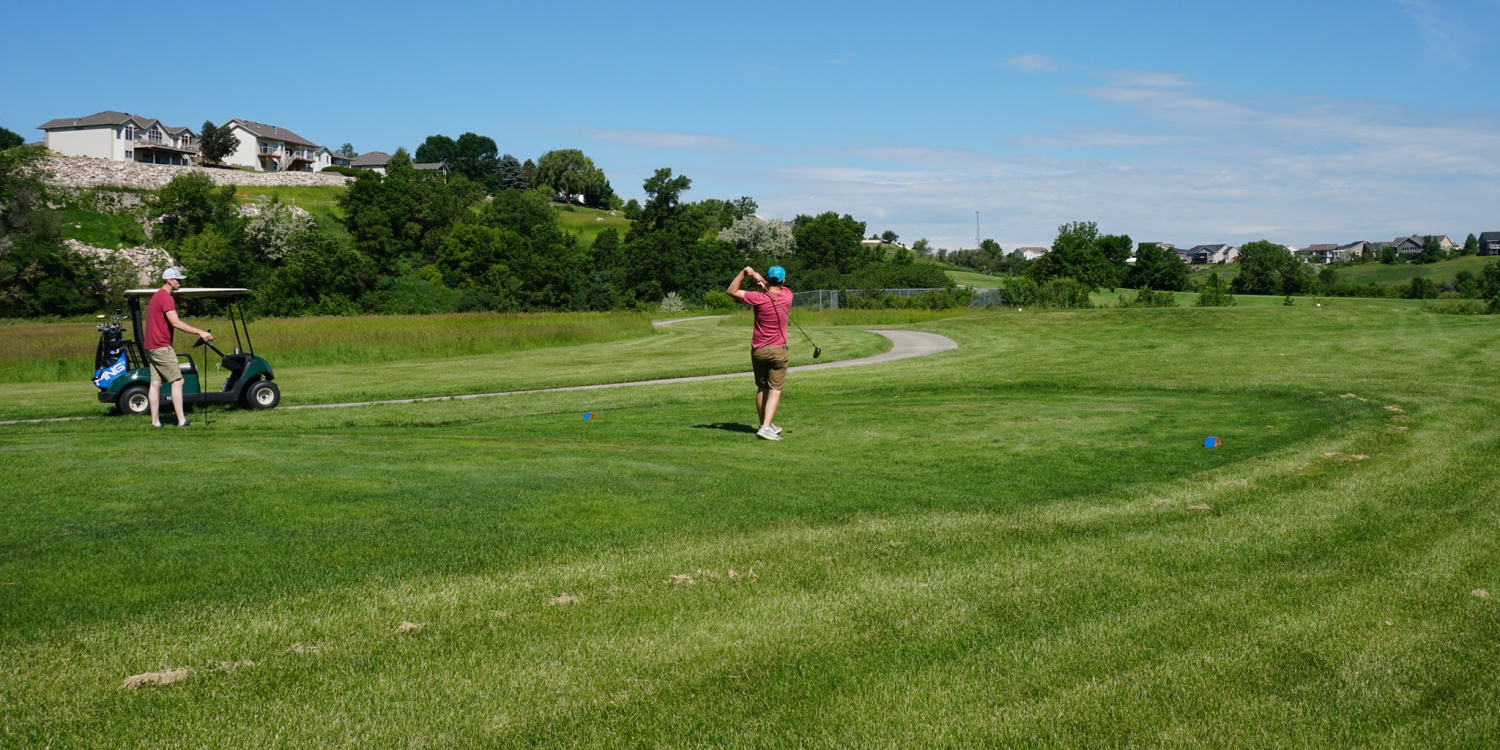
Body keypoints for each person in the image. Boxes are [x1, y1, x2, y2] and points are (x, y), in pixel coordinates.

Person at [727, 265, 792, 441]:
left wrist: (744, 273)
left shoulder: (757, 298)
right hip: (778, 350)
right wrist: (759, 278)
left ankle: (766, 424)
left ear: (769, 280)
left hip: (759, 350)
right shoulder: (787, 295)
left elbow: (731, 291)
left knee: (762, 388)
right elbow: (770, 287)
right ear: (783, 281)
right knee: (775, 389)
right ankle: (765, 427)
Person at [144, 268, 213, 428]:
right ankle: (181, 421)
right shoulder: (166, 297)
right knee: (178, 381)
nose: (180, 282)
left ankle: (155, 422)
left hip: (150, 346)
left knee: (156, 383)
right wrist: (199, 331)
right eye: (178, 280)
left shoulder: (156, 296)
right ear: (169, 281)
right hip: (161, 346)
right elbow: (175, 322)